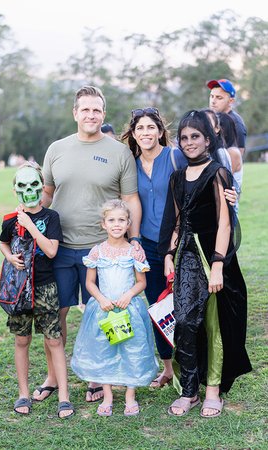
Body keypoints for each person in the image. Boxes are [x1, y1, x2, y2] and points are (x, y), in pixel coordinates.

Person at [36, 85, 142, 403]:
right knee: (57, 314)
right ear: (75, 113)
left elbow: (130, 199)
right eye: (85, 109)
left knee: (101, 313)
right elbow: (46, 194)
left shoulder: (118, 152)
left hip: (103, 250)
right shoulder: (57, 149)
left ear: (103, 114)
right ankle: (54, 377)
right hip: (61, 247)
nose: (91, 115)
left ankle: (99, 379)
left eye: (97, 110)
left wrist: (133, 240)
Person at [121, 107, 237, 388]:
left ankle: (200, 367)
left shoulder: (175, 156)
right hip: (146, 244)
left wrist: (231, 196)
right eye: (140, 129)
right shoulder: (130, 164)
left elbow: (206, 181)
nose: (145, 133)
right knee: (158, 305)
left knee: (189, 305)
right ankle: (169, 367)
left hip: (183, 242)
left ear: (161, 131)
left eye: (151, 128)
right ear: (133, 135)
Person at [158, 110, 252, 418]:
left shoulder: (217, 173)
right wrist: (169, 255)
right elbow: (175, 221)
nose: (189, 143)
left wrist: (217, 265)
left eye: (195, 136)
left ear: (208, 139)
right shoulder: (176, 178)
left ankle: (212, 390)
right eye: (184, 138)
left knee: (213, 326)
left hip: (212, 254)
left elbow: (225, 224)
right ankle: (190, 390)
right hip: (185, 256)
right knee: (185, 322)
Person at [0, 162, 74, 418]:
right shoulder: (10, 220)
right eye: (23, 185)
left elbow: (52, 250)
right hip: (19, 290)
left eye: (34, 185)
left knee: (54, 340)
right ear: (15, 189)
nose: (29, 190)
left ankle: (63, 395)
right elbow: (3, 244)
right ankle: (23, 393)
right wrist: (9, 257)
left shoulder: (50, 217)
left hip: (45, 287)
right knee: (22, 340)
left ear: (42, 187)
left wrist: (30, 225)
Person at [71, 199, 159, 416]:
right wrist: (101, 299)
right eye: (111, 220)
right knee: (104, 351)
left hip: (129, 308)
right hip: (104, 309)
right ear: (103, 224)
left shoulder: (134, 252)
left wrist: (129, 295)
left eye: (121, 220)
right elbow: (90, 282)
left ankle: (130, 395)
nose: (116, 224)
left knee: (132, 349)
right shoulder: (97, 252)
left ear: (129, 223)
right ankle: (108, 396)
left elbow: (141, 282)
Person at [207, 78, 247, 156]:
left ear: (231, 101)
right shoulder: (211, 119)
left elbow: (238, 154)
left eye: (219, 98)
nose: (213, 101)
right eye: (212, 96)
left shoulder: (235, 123)